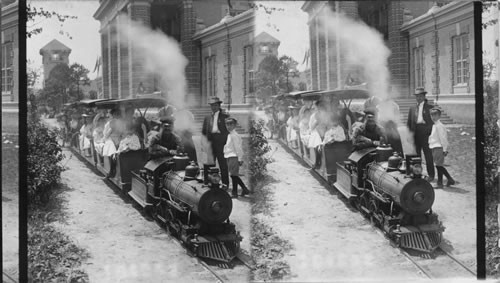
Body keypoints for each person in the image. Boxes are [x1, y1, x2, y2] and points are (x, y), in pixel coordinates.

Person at [407, 87, 435, 182]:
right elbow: (409, 122)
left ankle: (431, 175)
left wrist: (428, 132)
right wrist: (409, 134)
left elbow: (433, 123)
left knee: (428, 155)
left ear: (424, 96)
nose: (418, 98)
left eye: (420, 96)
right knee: (416, 155)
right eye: (417, 96)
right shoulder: (412, 108)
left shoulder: (430, 108)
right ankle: (417, 173)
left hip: (425, 133)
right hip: (415, 132)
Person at [202, 97, 230, 187]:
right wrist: (204, 143)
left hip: (221, 143)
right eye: (212, 105)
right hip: (210, 143)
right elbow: (203, 131)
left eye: (215, 105)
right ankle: (208, 182)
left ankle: (225, 184)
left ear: (219, 106)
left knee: (223, 164)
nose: (213, 107)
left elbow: (228, 131)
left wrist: (227, 143)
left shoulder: (225, 117)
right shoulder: (207, 117)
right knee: (209, 163)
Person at [429, 107, 456, 188]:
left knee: (438, 165)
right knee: (438, 165)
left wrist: (444, 149)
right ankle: (440, 183)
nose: (433, 117)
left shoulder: (439, 126)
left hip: (439, 147)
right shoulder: (435, 125)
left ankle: (450, 179)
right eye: (432, 115)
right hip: (434, 147)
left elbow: (443, 138)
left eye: (435, 115)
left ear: (439, 116)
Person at [224, 117, 250, 198]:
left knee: (233, 175)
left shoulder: (234, 136)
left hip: (233, 156)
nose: (228, 126)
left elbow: (238, 148)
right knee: (233, 175)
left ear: (235, 125)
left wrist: (239, 159)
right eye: (227, 124)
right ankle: (242, 190)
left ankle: (236, 191)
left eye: (231, 124)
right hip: (229, 156)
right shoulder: (230, 135)